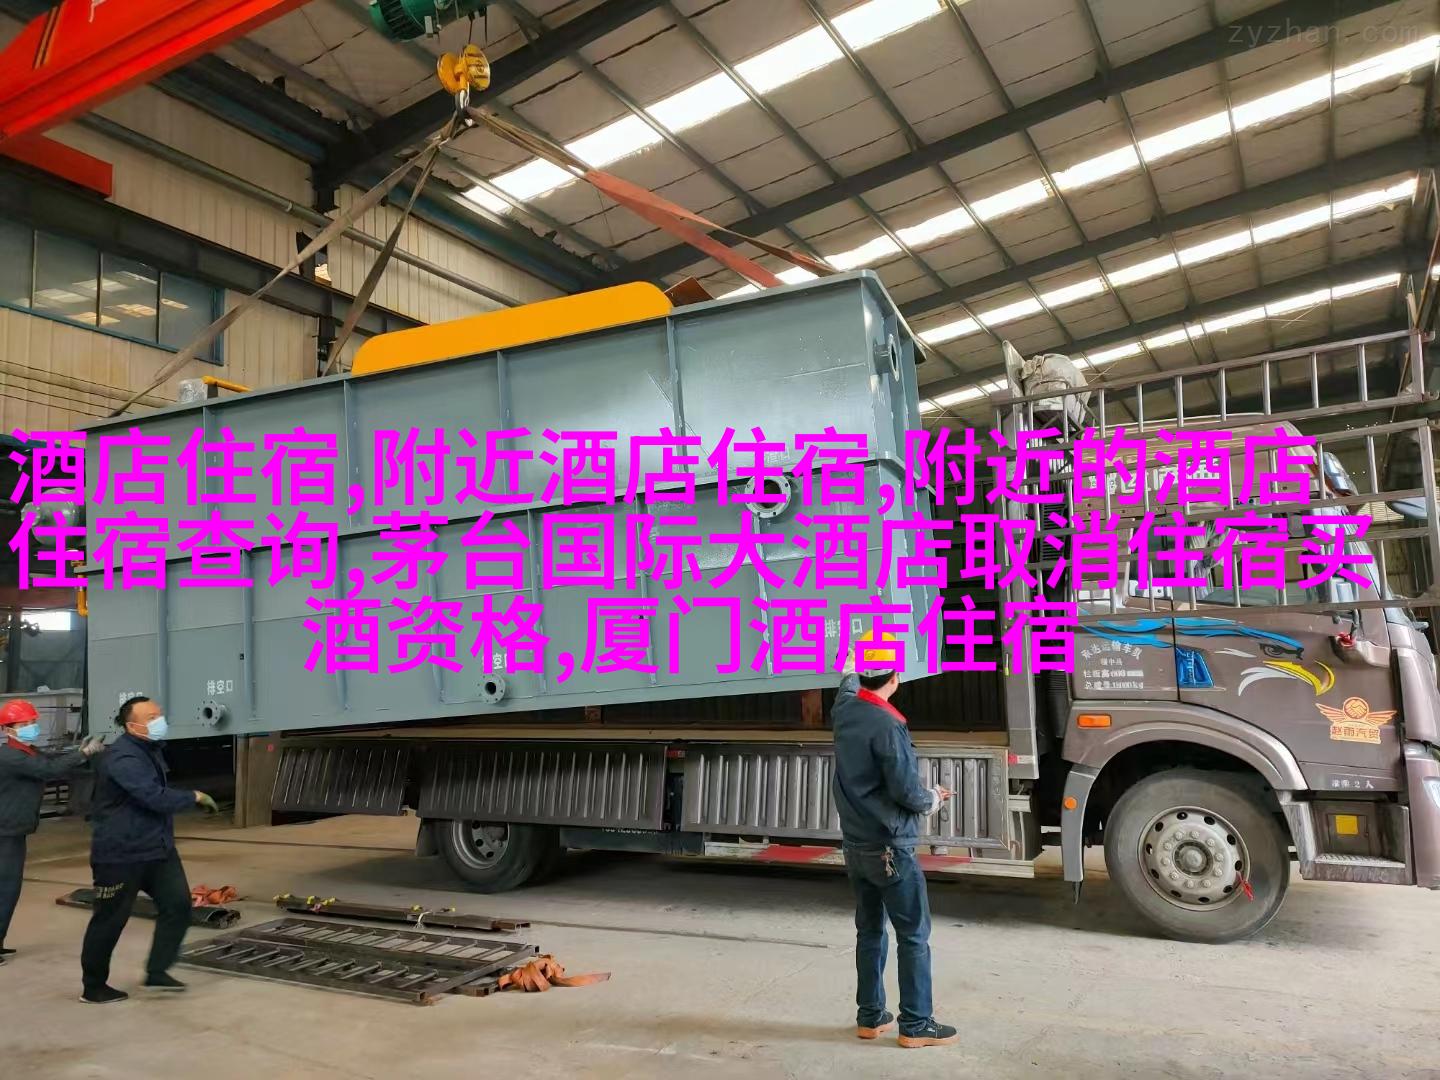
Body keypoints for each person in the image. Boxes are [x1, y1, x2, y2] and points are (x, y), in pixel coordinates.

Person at [831, 634, 957, 1049]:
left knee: (869, 930)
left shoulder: (845, 709)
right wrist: (934, 798)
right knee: (913, 935)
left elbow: (847, 682)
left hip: (856, 844)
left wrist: (851, 663)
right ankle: (916, 1024)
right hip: (890, 846)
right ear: (895, 678)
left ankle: (870, 1016)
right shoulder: (889, 725)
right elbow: (907, 792)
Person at [79, 695, 219, 1005]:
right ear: (132, 726)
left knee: (178, 905)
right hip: (121, 854)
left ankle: (157, 972)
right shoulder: (123, 758)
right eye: (152, 718)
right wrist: (194, 797)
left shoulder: (149, 750)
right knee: (110, 920)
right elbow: (153, 796)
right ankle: (93, 986)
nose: (160, 721)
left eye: (159, 714)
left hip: (157, 849)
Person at [0, 698, 104, 964]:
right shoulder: (11, 756)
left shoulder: (26, 750)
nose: (32, 727)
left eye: (33, 722)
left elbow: (51, 759)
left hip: (12, 828)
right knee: (7, 887)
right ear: (8, 729)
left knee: (8, 887)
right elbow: (48, 769)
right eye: (25, 724)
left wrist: (77, 750)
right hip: (6, 831)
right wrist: (85, 754)